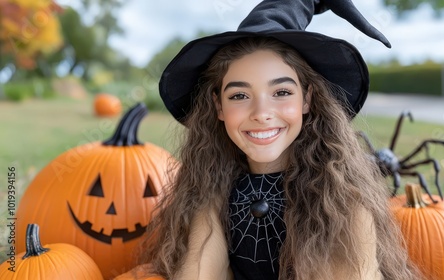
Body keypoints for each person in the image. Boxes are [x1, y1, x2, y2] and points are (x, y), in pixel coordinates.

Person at [136, 0, 422, 279]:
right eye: (239, 96)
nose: (262, 113)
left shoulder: (342, 202)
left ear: (307, 99)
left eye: (281, 92)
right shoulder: (213, 190)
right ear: (218, 106)